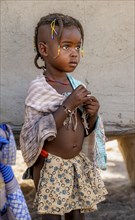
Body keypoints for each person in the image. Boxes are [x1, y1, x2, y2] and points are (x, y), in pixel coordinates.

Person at [20, 13, 107, 220]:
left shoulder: (76, 86)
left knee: (77, 216)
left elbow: (85, 129)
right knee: (52, 216)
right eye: (66, 46)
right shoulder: (39, 88)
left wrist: (93, 115)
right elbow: (36, 131)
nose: (74, 53)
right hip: (50, 165)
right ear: (44, 50)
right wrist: (68, 105)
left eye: (78, 47)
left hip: (75, 164)